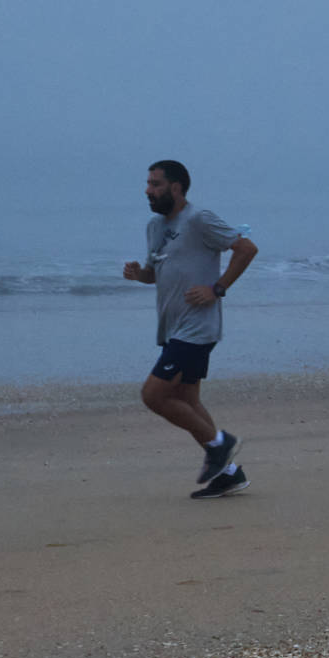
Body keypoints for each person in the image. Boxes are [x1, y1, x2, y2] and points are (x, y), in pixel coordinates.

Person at [122, 160, 260, 499]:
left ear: (177, 188)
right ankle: (229, 473)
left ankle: (220, 444)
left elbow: (246, 249)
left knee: (153, 395)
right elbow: (157, 273)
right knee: (185, 398)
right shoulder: (155, 227)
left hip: (197, 328)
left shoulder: (199, 219)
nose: (148, 190)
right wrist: (140, 274)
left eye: (155, 184)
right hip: (173, 327)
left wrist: (217, 288)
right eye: (148, 183)